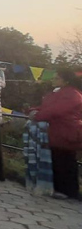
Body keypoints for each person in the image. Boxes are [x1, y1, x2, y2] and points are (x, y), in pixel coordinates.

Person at [31, 70, 82, 200]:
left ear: (66, 81)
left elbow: (56, 110)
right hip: (58, 131)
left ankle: (68, 191)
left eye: (57, 78)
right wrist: (33, 110)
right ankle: (60, 188)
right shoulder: (60, 93)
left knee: (66, 161)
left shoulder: (71, 95)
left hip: (66, 131)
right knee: (58, 159)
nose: (53, 80)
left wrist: (37, 115)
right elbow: (48, 107)